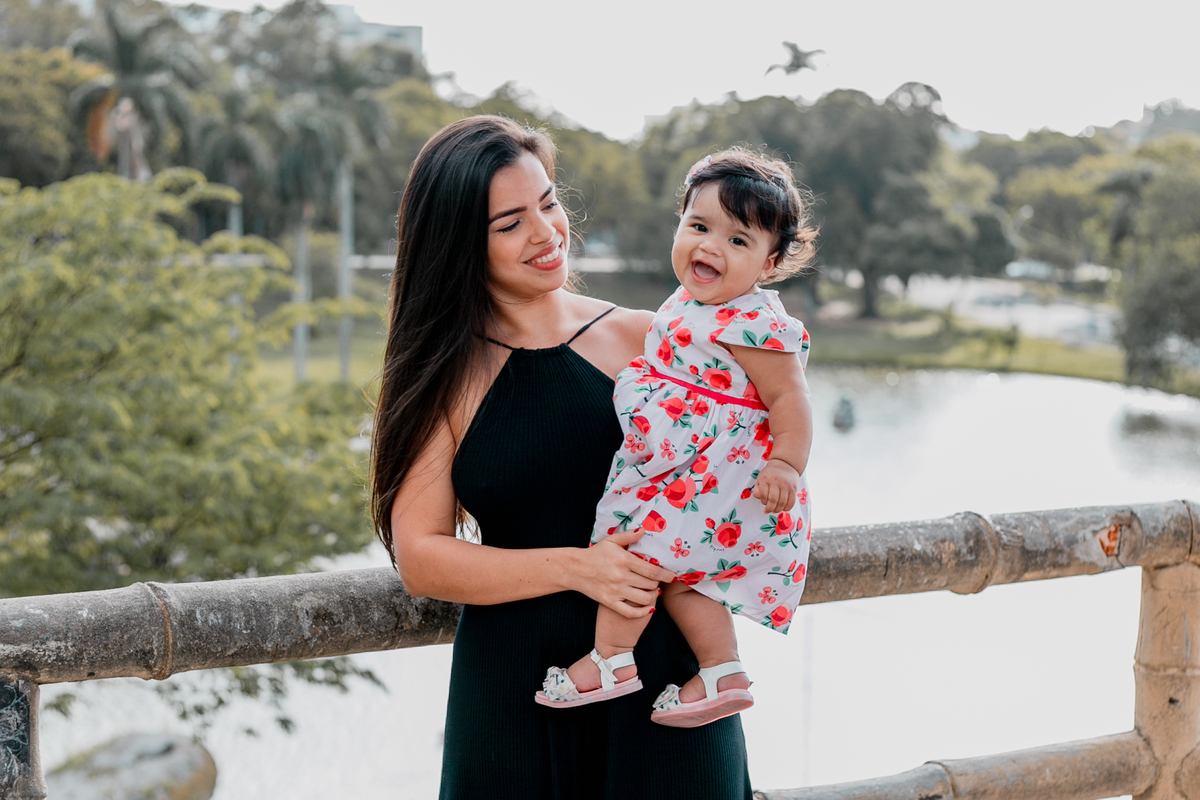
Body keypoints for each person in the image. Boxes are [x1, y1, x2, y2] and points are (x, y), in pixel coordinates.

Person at [370, 116, 755, 799]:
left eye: (547, 203)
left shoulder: (652, 339)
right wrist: (584, 568)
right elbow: (423, 558)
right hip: (517, 692)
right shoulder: (445, 378)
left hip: (668, 682)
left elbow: (744, 469)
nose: (547, 234)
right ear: (460, 244)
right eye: (510, 223)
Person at [536, 150, 817, 728]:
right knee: (686, 575)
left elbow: (790, 398)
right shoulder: (690, 304)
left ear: (771, 262)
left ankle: (612, 660)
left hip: (718, 472)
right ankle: (721, 671)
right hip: (684, 467)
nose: (711, 247)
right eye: (699, 226)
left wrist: (786, 464)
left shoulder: (752, 322)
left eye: (739, 241)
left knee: (635, 552)